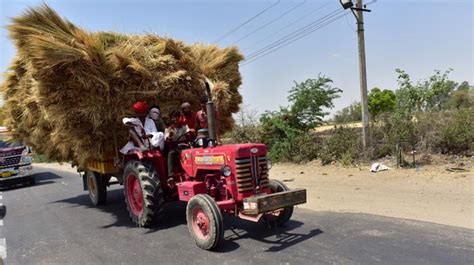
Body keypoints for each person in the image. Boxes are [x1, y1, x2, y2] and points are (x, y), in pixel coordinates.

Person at [165, 110, 190, 177]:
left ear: (179, 117)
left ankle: (190, 171)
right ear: (171, 119)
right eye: (173, 117)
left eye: (177, 117)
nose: (175, 119)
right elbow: (167, 140)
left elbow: (189, 134)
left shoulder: (184, 126)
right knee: (171, 154)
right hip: (175, 147)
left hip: (185, 146)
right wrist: (169, 137)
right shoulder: (169, 129)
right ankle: (171, 175)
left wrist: (189, 133)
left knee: (190, 153)